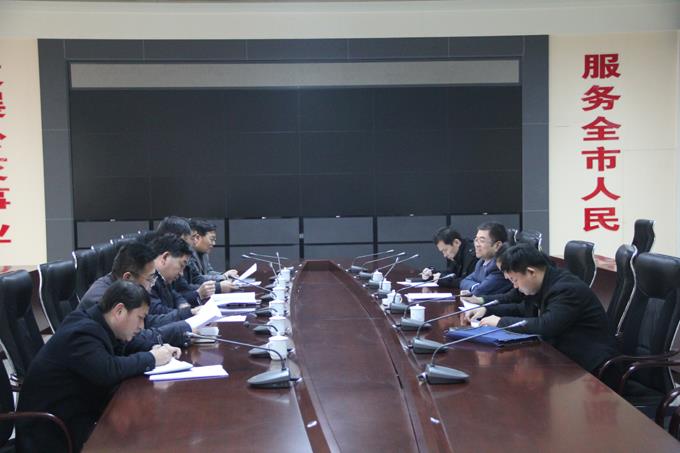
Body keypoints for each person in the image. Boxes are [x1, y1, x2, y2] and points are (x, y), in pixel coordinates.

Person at [16, 280, 181, 453]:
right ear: (119, 311)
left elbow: (127, 346)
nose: (142, 326)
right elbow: (108, 371)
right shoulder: (82, 333)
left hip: (78, 414)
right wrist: (152, 358)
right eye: (140, 318)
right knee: (139, 438)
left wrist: (158, 350)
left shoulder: (100, 324)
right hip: (51, 431)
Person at [463, 244, 619, 374]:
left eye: (515, 280)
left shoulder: (566, 289)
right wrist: (487, 310)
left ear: (531, 272)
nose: (514, 286)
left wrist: (500, 322)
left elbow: (546, 326)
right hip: (561, 357)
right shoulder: (543, 283)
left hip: (588, 366)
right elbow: (522, 309)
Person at [79, 241, 194, 347]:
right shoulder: (104, 300)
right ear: (128, 278)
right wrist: (181, 330)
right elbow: (133, 341)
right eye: (150, 279)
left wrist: (187, 314)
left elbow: (148, 321)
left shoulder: (122, 292)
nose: (152, 284)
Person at [459, 222, 513, 296]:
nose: (477, 245)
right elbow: (464, 281)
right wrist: (476, 286)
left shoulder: (500, 267)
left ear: (497, 245)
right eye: (476, 240)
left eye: (482, 241)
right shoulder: (480, 263)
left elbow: (479, 292)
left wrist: (475, 287)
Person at [187, 218, 239, 292]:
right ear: (197, 237)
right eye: (211, 239)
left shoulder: (204, 253)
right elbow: (196, 279)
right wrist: (223, 277)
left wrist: (225, 274)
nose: (214, 243)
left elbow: (208, 271)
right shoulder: (187, 254)